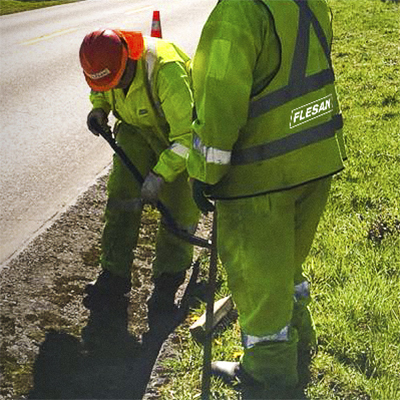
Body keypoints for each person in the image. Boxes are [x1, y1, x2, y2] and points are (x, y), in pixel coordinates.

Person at [187, 0, 346, 397]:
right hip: (315, 160)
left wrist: (204, 174)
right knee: (286, 266)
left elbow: (219, 100)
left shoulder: (238, 12)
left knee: (260, 283)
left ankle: (268, 374)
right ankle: (300, 340)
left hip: (259, 177)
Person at [79, 29, 200, 313]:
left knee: (178, 210)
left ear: (128, 59)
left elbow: (188, 138)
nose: (111, 86)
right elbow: (100, 88)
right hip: (135, 129)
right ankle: (114, 275)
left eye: (115, 80)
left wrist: (160, 176)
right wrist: (99, 109)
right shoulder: (106, 64)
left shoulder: (166, 72)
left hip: (176, 137)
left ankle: (168, 282)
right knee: (122, 198)